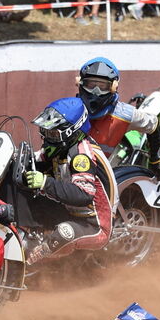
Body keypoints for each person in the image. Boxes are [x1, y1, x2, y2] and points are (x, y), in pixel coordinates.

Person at [22, 97, 115, 265]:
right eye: (45, 131)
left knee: (64, 233)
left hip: (94, 224)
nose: (47, 137)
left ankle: (30, 266)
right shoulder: (58, 147)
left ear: (71, 133)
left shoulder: (82, 155)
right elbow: (34, 161)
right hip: (68, 211)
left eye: (53, 133)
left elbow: (83, 195)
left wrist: (45, 183)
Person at [76, 57, 159, 157]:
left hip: (105, 166)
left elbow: (154, 124)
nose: (96, 92)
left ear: (113, 87)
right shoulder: (69, 111)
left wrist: (155, 159)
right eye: (91, 85)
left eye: (102, 86)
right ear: (80, 83)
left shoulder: (126, 114)